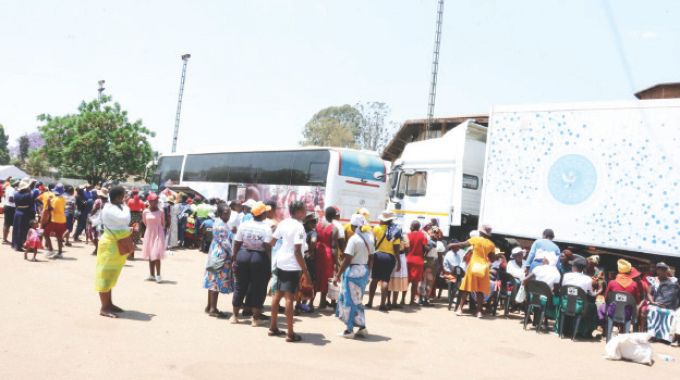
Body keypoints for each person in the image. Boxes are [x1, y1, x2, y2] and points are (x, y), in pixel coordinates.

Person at [269, 201, 312, 343]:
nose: (305, 212)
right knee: (289, 298)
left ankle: (273, 327)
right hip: (292, 265)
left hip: (280, 261)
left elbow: (273, 241)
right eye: (304, 210)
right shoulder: (299, 227)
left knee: (278, 294)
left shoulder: (283, 223)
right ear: (298, 211)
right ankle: (290, 333)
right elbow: (297, 251)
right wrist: (305, 271)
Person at [231, 202, 273, 326]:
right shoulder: (266, 228)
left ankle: (234, 316)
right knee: (258, 288)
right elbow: (267, 246)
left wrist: (235, 258)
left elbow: (237, 242)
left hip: (243, 255)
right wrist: (271, 262)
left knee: (240, 286)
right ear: (263, 214)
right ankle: (255, 319)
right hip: (259, 258)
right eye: (266, 212)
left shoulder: (244, 225)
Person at [334, 213, 374, 338]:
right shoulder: (370, 238)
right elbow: (372, 258)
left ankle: (349, 330)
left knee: (349, 301)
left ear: (353, 226)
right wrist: (369, 274)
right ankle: (361, 327)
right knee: (358, 300)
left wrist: (337, 275)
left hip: (352, 272)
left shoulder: (354, 239)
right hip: (364, 271)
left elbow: (347, 260)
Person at [95, 186, 132, 318]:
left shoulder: (116, 207)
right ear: (118, 197)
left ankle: (109, 304)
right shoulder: (110, 208)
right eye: (123, 195)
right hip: (109, 246)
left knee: (111, 275)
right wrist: (127, 206)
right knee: (104, 276)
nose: (125, 198)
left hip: (115, 246)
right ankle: (104, 307)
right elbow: (125, 219)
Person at [447, 225, 497, 318]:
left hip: (473, 266)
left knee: (466, 288)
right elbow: (492, 258)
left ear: (481, 233)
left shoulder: (476, 239)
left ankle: (460, 309)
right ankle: (479, 312)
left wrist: (452, 245)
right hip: (483, 268)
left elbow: (463, 244)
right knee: (480, 291)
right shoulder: (491, 244)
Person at [203, 203, 234, 317]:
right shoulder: (221, 225)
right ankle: (213, 308)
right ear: (220, 213)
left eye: (229, 213)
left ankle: (209, 306)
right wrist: (233, 254)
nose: (228, 215)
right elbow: (225, 242)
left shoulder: (219, 222)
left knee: (212, 280)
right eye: (226, 213)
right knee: (215, 281)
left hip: (215, 253)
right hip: (220, 255)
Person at [367, 211, 401, 312]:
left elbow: (372, 242)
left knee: (374, 279)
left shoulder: (377, 228)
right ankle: (382, 304)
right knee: (385, 280)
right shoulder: (395, 230)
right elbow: (396, 247)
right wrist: (398, 260)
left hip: (378, 255)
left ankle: (370, 302)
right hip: (389, 257)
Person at [645, 262, 679, 343]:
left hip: (669, 305)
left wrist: (672, 305)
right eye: (659, 269)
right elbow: (649, 294)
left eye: (663, 269)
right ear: (657, 270)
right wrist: (653, 302)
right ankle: (653, 336)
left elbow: (676, 293)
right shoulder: (653, 280)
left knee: (670, 313)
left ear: (666, 271)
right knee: (653, 311)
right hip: (655, 303)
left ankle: (665, 337)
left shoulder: (673, 281)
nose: (661, 271)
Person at [314, 206, 341, 309]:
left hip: (318, 252)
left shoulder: (318, 225)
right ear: (334, 216)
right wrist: (336, 262)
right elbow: (334, 247)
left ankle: (311, 302)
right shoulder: (334, 228)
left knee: (316, 277)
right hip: (327, 255)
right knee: (326, 278)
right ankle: (322, 302)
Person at [141, 192, 166, 283]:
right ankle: (151, 275)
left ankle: (158, 275)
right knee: (150, 255)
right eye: (152, 201)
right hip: (149, 234)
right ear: (149, 201)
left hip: (158, 234)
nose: (155, 203)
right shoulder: (145, 211)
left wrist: (158, 229)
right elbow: (145, 222)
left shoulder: (161, 212)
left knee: (156, 255)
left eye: (156, 201)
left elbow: (163, 223)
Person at [405, 220, 427, 305]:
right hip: (418, 261)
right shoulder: (422, 235)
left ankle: (403, 300)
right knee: (415, 283)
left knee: (406, 281)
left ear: (412, 226)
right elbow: (425, 247)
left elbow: (405, 247)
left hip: (408, 260)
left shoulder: (408, 235)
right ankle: (411, 301)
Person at [12, 180, 36, 252]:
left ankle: (15, 244)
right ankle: (21, 245)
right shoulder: (29, 195)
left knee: (16, 228)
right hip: (25, 213)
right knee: (24, 229)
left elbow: (15, 204)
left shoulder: (16, 194)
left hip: (17, 212)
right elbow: (31, 205)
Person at [44, 184, 67, 259]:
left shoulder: (55, 199)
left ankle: (50, 249)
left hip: (55, 220)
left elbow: (50, 209)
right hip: (62, 220)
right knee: (59, 236)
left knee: (46, 234)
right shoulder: (63, 199)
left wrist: (48, 202)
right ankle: (60, 253)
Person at [2, 178, 17, 244]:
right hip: (10, 207)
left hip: (8, 207)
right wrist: (18, 200)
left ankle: (5, 239)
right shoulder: (11, 189)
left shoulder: (8, 188)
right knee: (8, 224)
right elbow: (11, 199)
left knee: (7, 224)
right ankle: (5, 239)